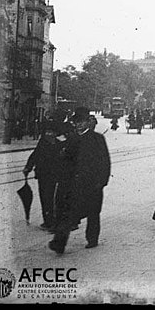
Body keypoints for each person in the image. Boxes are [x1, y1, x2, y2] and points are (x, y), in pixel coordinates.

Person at [49, 107, 111, 254]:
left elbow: (105, 162)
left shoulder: (97, 139)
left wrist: (101, 182)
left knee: (93, 213)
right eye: (76, 122)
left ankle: (92, 239)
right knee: (68, 214)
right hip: (74, 184)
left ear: (87, 122)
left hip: (93, 184)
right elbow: (64, 161)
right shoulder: (71, 139)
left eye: (81, 122)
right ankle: (59, 243)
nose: (78, 125)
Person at [23, 121, 62, 230]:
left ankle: (52, 222)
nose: (48, 134)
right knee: (45, 198)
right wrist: (28, 167)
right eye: (47, 132)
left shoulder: (59, 145)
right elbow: (34, 155)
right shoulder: (42, 143)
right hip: (42, 175)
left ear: (55, 133)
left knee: (51, 199)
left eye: (51, 132)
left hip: (54, 176)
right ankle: (48, 221)